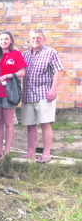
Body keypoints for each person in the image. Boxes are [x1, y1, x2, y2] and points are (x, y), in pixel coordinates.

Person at [22, 29, 64, 163]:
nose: (36, 40)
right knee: (30, 125)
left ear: (44, 39)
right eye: (33, 38)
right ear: (29, 40)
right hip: (28, 94)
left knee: (45, 123)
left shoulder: (50, 52)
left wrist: (53, 90)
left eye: (39, 38)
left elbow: (58, 71)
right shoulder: (25, 54)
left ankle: (46, 153)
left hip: (44, 94)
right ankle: (31, 152)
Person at [0, 31, 26, 159]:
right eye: (1, 39)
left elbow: (22, 72)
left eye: (6, 39)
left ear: (10, 41)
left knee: (8, 122)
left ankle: (7, 150)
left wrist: (7, 76)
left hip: (9, 92)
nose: (3, 41)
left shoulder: (16, 54)